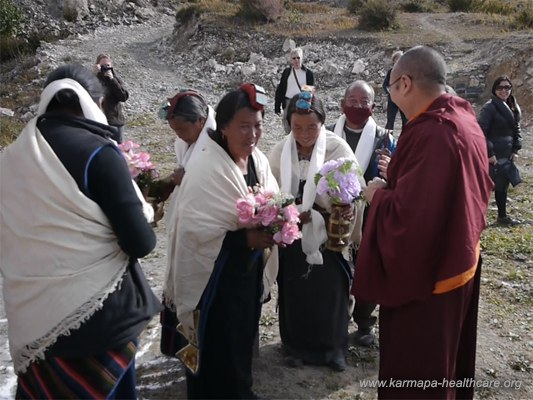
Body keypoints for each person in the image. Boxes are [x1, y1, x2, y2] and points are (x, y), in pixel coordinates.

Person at [0, 64, 162, 399]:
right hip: (99, 321)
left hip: (35, 318)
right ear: (97, 104)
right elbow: (140, 242)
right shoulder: (100, 153)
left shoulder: (11, 158)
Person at [352, 46, 493, 399]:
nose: (390, 93)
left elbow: (411, 220)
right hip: (457, 257)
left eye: (390, 86)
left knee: (419, 373)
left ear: (405, 82)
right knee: (444, 366)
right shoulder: (463, 119)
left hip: (429, 277)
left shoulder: (435, 133)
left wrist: (378, 195)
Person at [165, 83, 279, 399]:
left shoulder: (258, 161)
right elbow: (195, 231)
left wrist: (281, 220)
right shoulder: (206, 167)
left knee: (243, 336)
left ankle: (241, 389)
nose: (252, 135)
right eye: (243, 126)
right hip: (213, 282)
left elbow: (272, 199)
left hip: (246, 274)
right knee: (215, 345)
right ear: (224, 126)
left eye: (257, 126)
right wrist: (245, 240)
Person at [268, 90, 364, 372]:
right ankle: (295, 346)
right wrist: (290, 211)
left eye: (312, 126)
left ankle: (333, 347)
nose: (304, 133)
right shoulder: (278, 152)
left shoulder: (338, 151)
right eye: (297, 127)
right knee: (296, 289)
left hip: (328, 236)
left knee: (331, 292)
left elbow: (356, 191)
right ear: (289, 125)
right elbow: (272, 193)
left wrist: (345, 208)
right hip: (294, 234)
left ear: (323, 123)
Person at [328, 80, 396, 347]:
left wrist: (390, 171)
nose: (357, 106)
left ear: (373, 106)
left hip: (370, 215)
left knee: (369, 268)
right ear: (342, 102)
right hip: (336, 214)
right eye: (352, 101)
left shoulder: (385, 139)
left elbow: (397, 178)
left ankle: (365, 322)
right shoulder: (329, 132)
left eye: (364, 102)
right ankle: (336, 318)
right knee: (336, 267)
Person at [158, 88, 216, 358]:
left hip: (207, 235)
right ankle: (185, 349)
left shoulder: (215, 146)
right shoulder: (186, 145)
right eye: (174, 130)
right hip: (184, 229)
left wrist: (186, 179)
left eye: (181, 129)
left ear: (200, 122)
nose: (177, 136)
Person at [478, 75, 523, 226]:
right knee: (484, 187)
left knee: (502, 186)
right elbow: (480, 131)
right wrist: (489, 153)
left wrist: (516, 148)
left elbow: (516, 129)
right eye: (500, 88)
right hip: (494, 154)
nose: (504, 91)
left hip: (506, 152)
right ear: (495, 89)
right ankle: (477, 219)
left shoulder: (512, 105)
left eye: (507, 87)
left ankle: (502, 216)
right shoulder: (489, 107)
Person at [274, 47, 315, 133]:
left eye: (298, 58)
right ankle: (289, 138)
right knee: (286, 121)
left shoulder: (308, 74)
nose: (296, 60)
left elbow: (310, 92)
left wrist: (311, 105)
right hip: (288, 101)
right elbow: (280, 89)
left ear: (302, 58)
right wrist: (277, 106)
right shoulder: (287, 72)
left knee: (300, 123)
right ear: (291, 60)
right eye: (294, 58)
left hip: (301, 101)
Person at [94, 53, 129, 143]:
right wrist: (96, 75)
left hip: (115, 122)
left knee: (119, 150)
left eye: (107, 65)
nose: (105, 68)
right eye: (103, 66)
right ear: (98, 66)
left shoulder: (115, 79)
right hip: (99, 121)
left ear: (111, 66)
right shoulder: (94, 80)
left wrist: (112, 80)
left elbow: (123, 97)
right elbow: (92, 95)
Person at [382, 50, 407, 131]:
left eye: (401, 58)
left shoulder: (406, 72)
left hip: (403, 100)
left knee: (406, 122)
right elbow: (385, 85)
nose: (399, 60)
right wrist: (389, 90)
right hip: (392, 100)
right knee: (390, 122)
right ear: (394, 60)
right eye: (398, 58)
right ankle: (388, 140)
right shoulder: (390, 72)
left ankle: (405, 140)